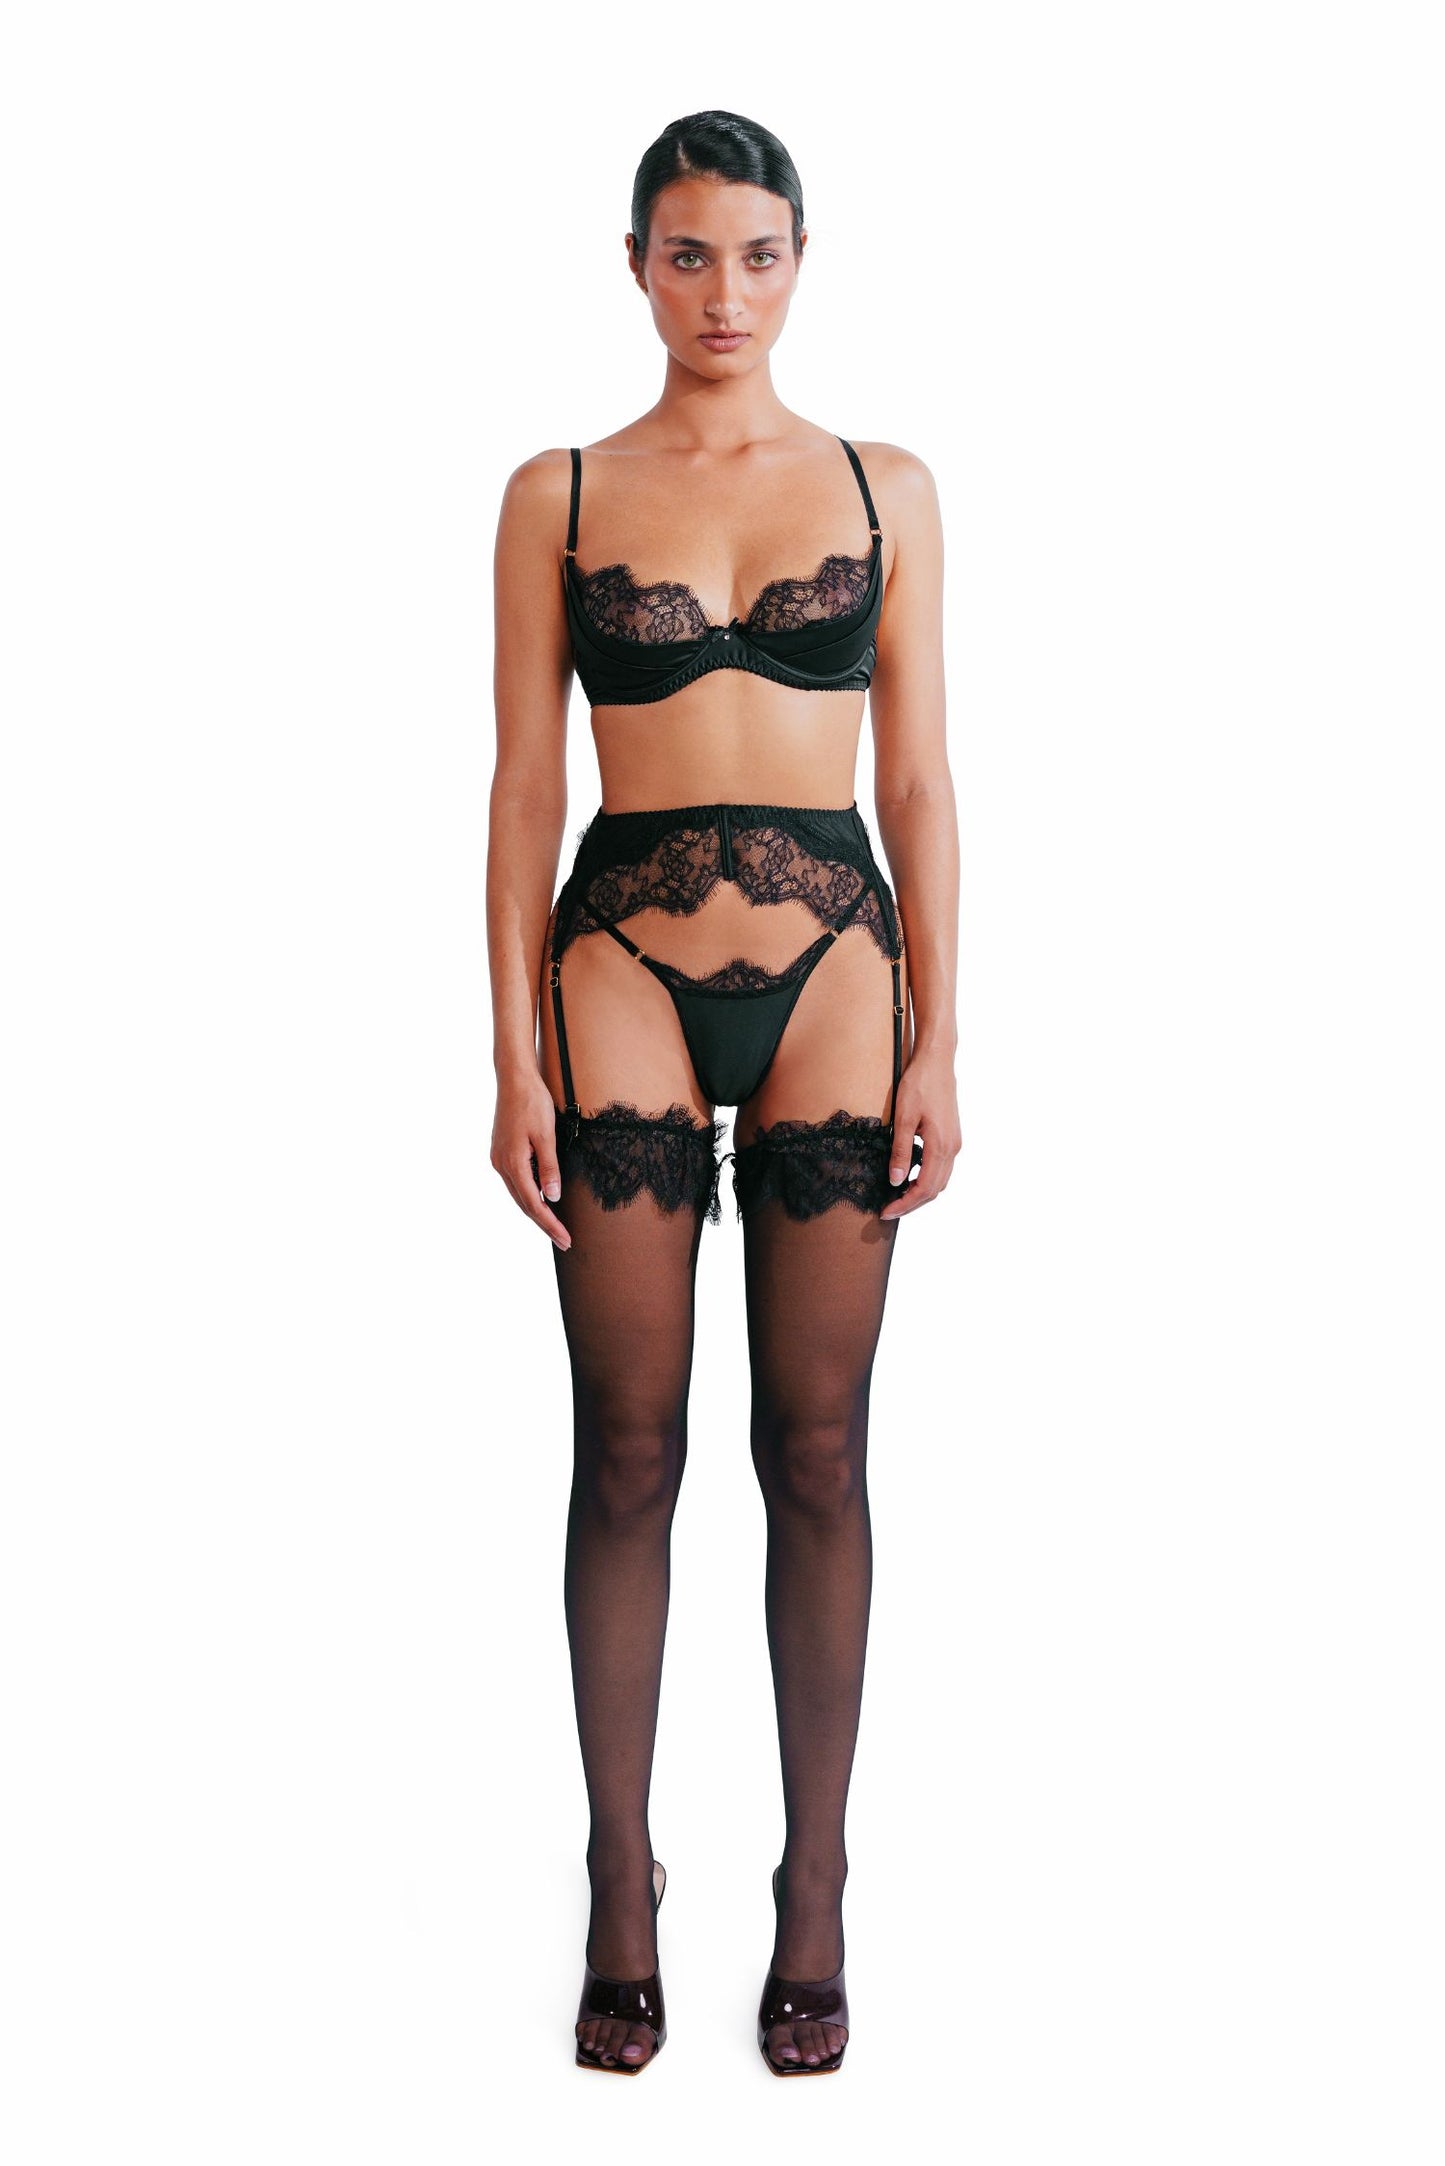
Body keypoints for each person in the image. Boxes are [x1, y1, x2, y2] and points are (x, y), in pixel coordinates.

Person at [487, 109, 960, 2077]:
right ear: (635, 264)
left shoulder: (882, 484)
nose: (722, 293)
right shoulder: (559, 493)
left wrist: (943, 1034)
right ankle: (621, 1877)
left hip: (842, 954)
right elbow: (527, 779)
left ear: (799, 261)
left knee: (820, 1446)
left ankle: (816, 1883)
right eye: (686, 255)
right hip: (620, 953)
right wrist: (507, 1047)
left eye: (756, 255)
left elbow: (917, 774)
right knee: (626, 1445)